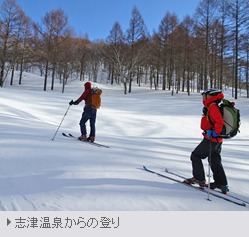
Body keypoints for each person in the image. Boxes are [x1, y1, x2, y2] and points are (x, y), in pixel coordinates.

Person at [184, 88, 229, 193]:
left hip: (212, 139)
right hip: (218, 140)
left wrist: (215, 133)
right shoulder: (213, 106)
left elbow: (219, 122)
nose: (203, 97)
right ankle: (221, 183)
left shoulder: (212, 107)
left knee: (195, 155)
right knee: (214, 160)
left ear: (210, 96)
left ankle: (198, 178)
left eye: (205, 95)